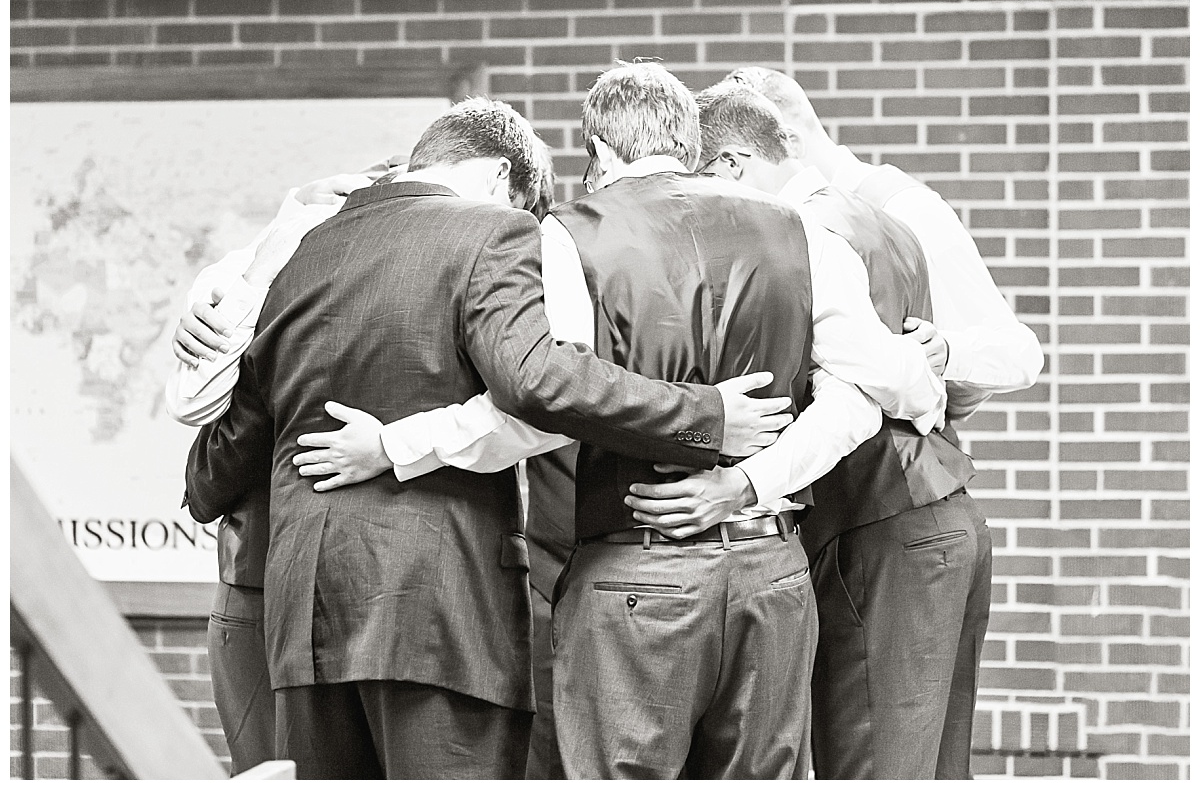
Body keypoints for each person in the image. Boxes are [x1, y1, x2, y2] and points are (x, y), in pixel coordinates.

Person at [292, 62, 947, 779]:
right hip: (773, 571)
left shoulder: (568, 235)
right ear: (691, 143)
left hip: (636, 577)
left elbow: (538, 409)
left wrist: (394, 444)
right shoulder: (803, 233)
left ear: (600, 152)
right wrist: (750, 484)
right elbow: (863, 395)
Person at [181, 96, 788, 780]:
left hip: (304, 613)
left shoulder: (301, 246)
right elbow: (535, 382)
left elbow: (227, 435)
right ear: (504, 178)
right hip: (439, 611)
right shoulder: (492, 232)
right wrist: (701, 414)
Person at [722, 67, 1044, 779]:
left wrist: (937, 371)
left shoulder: (874, 213)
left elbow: (1011, 352)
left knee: (872, 764)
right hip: (931, 512)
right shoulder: (877, 224)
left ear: (753, 146)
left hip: (887, 520)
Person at [165, 155, 396, 774]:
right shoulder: (244, 273)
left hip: (382, 589)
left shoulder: (417, 292)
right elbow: (191, 405)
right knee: (270, 769)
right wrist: (282, 229)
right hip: (258, 581)